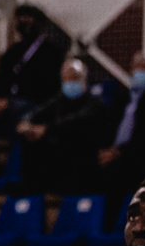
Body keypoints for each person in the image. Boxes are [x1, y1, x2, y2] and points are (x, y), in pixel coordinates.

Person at [0, 5, 64, 141]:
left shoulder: (52, 53)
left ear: (39, 22)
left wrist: (9, 102)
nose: (24, 22)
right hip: (6, 105)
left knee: (21, 107)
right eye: (20, 18)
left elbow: (49, 88)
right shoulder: (11, 53)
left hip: (32, 103)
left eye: (28, 18)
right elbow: (0, 83)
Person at [14, 58, 107, 194]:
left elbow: (75, 122)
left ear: (84, 80)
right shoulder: (59, 100)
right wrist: (26, 125)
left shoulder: (94, 102)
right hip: (60, 154)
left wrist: (46, 129)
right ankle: (30, 190)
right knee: (33, 143)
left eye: (74, 78)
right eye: (67, 79)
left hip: (84, 154)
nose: (70, 82)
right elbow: (35, 113)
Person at [97, 52, 145, 199]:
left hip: (137, 155)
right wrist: (105, 149)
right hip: (113, 153)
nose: (141, 72)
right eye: (138, 67)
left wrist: (119, 152)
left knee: (120, 171)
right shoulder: (121, 99)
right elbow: (107, 127)